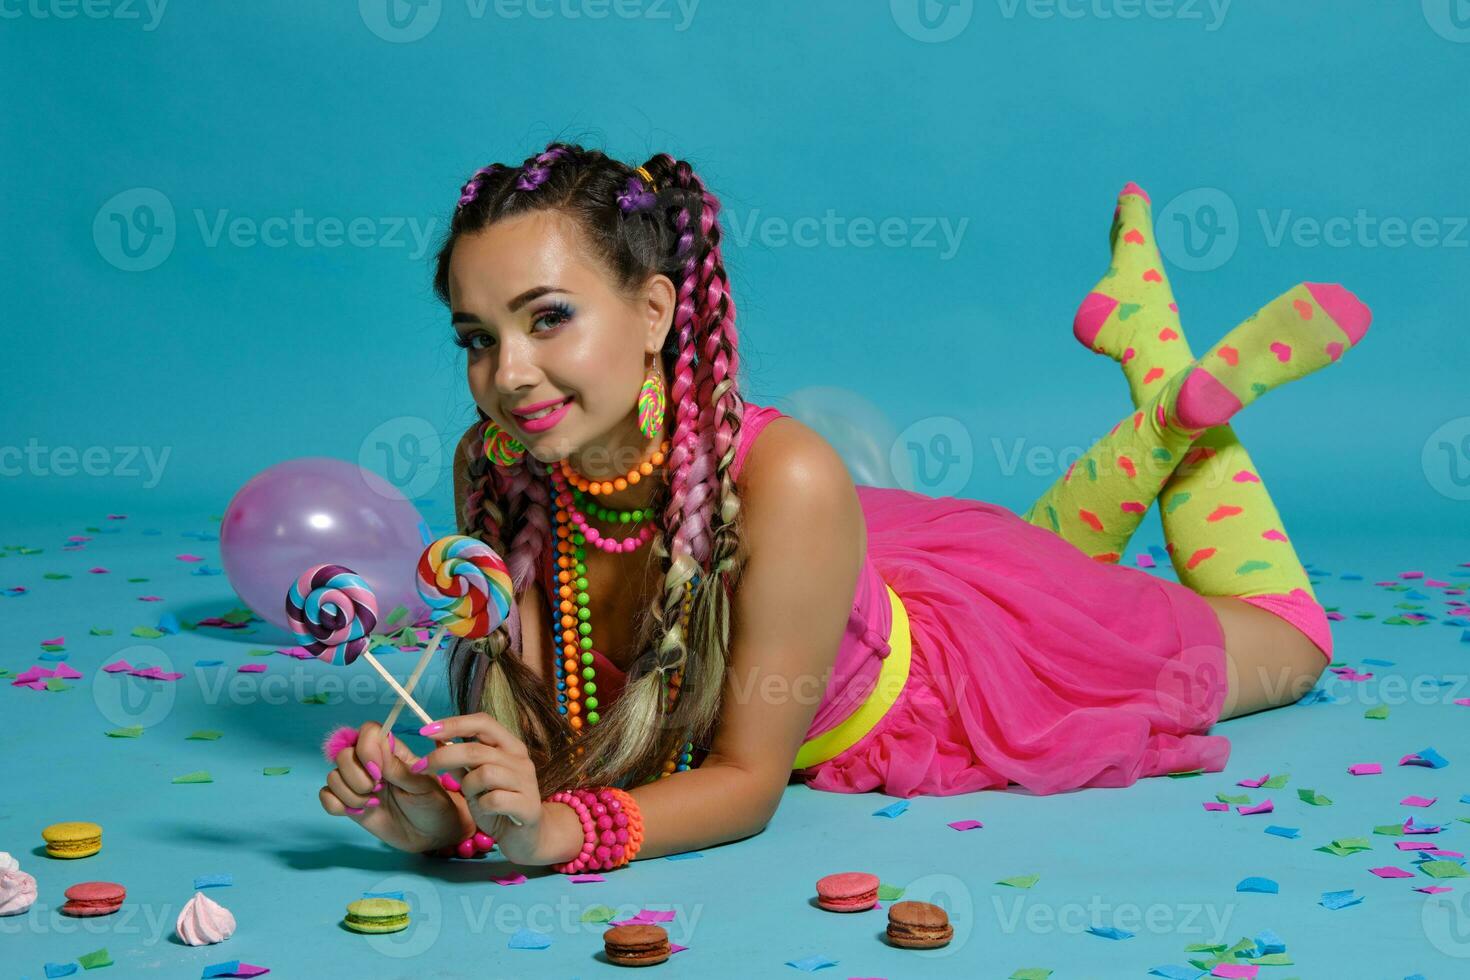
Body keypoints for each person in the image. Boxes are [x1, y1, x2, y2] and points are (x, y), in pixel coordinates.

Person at [319, 144, 1370, 871]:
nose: (510, 372)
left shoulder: (787, 481)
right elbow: (549, 728)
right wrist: (444, 812)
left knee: (1288, 641)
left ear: (652, 311)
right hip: (856, 575)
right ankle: (1146, 394)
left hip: (951, 678)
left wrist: (556, 832)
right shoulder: (496, 466)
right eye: (476, 337)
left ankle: (1165, 387)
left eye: (548, 318)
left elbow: (743, 780)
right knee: (1054, 555)